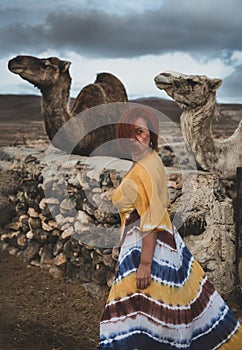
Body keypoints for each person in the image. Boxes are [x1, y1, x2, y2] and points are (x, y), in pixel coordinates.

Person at [98, 106, 242, 349]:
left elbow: (152, 216)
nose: (136, 139)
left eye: (141, 132)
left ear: (151, 134)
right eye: (130, 133)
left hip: (148, 249)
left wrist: (145, 263)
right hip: (154, 243)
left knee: (132, 313)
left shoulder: (147, 167)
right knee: (155, 311)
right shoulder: (145, 161)